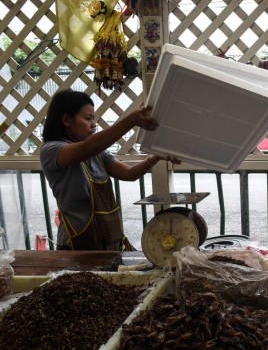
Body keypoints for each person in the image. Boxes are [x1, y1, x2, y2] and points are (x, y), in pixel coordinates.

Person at [40, 89, 179, 251]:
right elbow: (86, 149)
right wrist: (130, 121)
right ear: (66, 119)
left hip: (107, 242)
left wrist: (155, 157)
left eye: (94, 118)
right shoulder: (51, 150)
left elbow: (129, 174)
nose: (94, 124)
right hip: (75, 246)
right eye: (88, 118)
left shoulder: (97, 152)